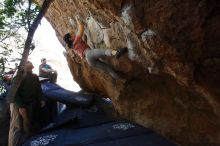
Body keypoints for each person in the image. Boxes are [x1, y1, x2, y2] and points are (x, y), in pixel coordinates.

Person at [63, 16, 128, 79]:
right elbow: (81, 27)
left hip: (89, 61)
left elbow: (82, 47)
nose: (74, 34)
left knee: (108, 69)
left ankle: (124, 78)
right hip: (89, 53)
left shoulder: (73, 46)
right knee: (103, 51)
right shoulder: (75, 41)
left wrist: (85, 38)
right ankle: (117, 52)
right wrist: (77, 20)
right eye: (72, 34)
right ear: (70, 38)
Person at [14, 61, 45, 138]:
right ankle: (28, 139)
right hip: (25, 105)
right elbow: (15, 94)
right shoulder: (18, 77)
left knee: (35, 120)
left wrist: (42, 99)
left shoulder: (35, 77)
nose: (29, 62)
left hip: (34, 103)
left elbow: (38, 89)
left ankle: (36, 137)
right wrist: (21, 106)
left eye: (30, 62)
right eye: (27, 62)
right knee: (27, 124)